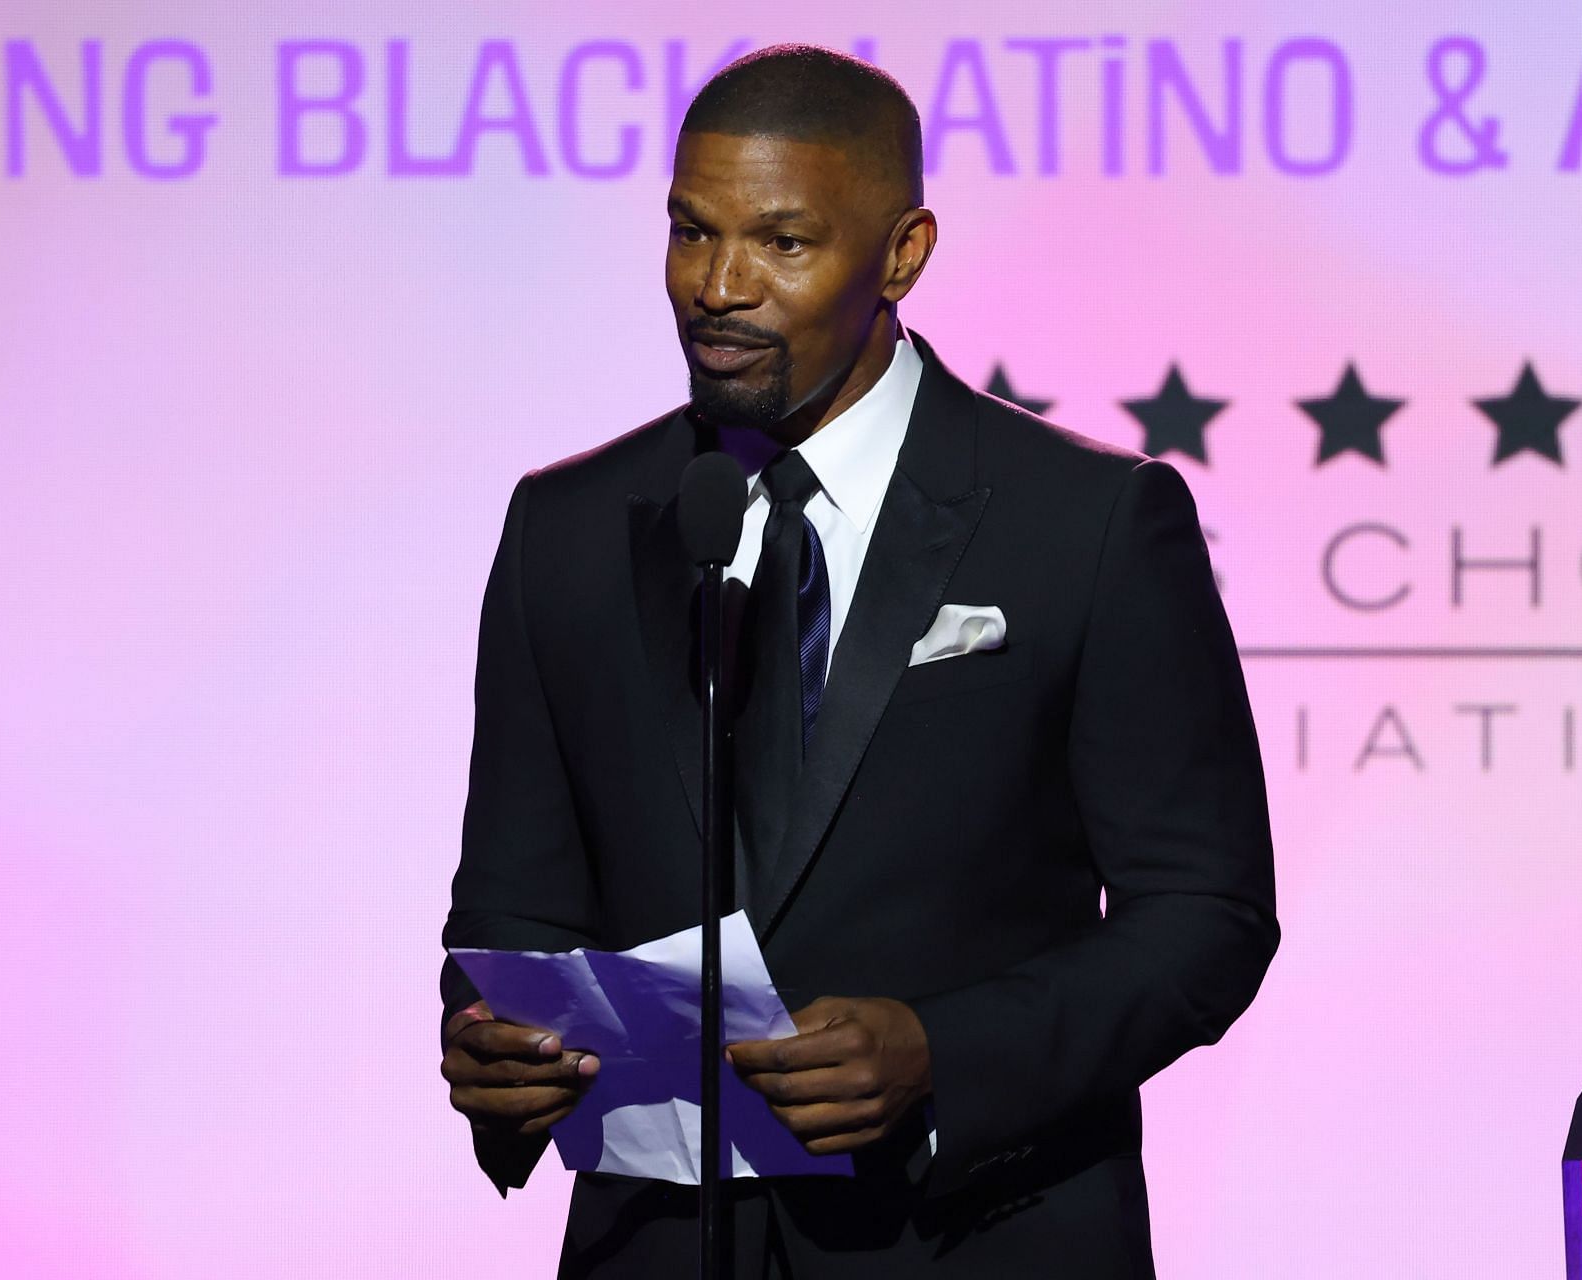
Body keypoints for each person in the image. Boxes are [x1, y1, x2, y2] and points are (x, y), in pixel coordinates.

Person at [438, 42, 1279, 1278]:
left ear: (902, 253)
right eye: (689, 231)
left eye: (782, 243)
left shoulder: (1085, 523)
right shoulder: (566, 528)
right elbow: (512, 897)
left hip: (974, 1236)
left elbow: (1204, 915)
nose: (717, 285)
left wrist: (945, 1049)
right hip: (660, 1246)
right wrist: (490, 1049)